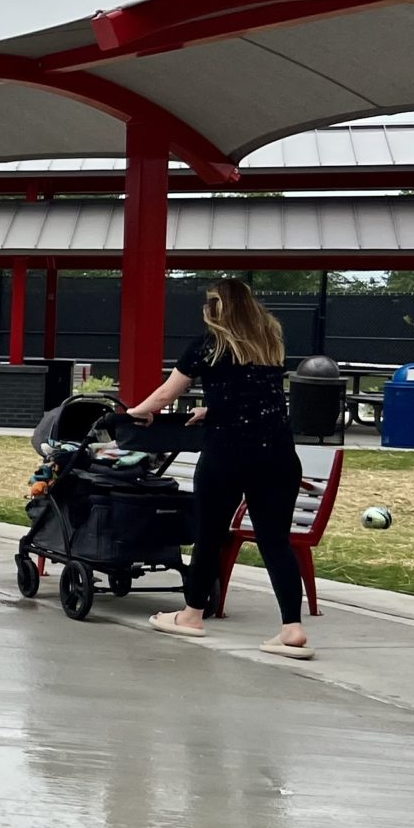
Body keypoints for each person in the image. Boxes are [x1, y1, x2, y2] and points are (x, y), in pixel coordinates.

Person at [121, 278, 313, 660]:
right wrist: (215, 408)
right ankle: (292, 628)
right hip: (277, 455)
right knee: (276, 541)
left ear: (217, 308)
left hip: (228, 453)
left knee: (210, 534)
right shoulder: (271, 345)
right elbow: (255, 394)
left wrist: (133, 413)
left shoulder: (207, 346)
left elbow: (163, 396)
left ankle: (191, 615)